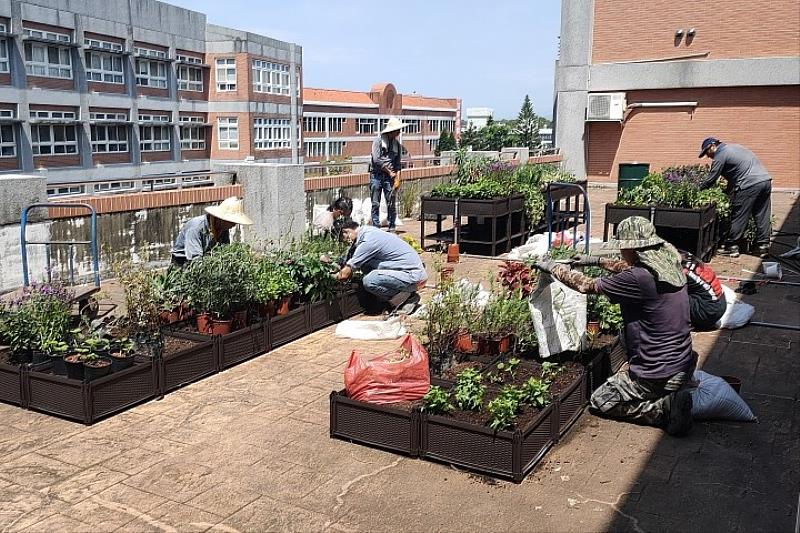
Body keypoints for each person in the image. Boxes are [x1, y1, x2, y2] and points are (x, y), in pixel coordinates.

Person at [536, 216, 695, 436]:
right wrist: (595, 261)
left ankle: (663, 409)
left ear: (631, 248)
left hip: (654, 373)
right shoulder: (670, 263)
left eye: (622, 247)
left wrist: (553, 267)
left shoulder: (639, 278)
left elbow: (586, 285)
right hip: (683, 361)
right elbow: (632, 270)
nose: (620, 252)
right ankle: (672, 390)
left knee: (601, 400)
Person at [697, 137, 773, 258]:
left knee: (739, 215)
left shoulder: (720, 155)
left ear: (712, 146)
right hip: (765, 181)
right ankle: (763, 247)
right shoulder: (736, 148)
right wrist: (727, 192)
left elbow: (712, 178)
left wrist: (699, 190)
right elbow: (737, 174)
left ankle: (733, 246)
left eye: (707, 152)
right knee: (761, 214)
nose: (708, 156)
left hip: (749, 185)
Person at [332, 220, 426, 314]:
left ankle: (407, 298)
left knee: (370, 281)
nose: (345, 242)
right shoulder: (368, 232)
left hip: (412, 276)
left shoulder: (368, 241)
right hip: (405, 271)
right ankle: (401, 295)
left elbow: (344, 274)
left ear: (346, 232)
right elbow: (350, 259)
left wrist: (330, 276)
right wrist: (333, 262)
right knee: (365, 266)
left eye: (342, 239)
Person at [171, 196, 253, 266]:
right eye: (232, 221)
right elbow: (195, 259)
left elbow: (223, 252)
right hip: (183, 263)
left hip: (205, 261)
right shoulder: (196, 227)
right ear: (221, 219)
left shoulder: (223, 229)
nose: (234, 225)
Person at [370, 117, 407, 231]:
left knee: (391, 202)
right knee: (375, 203)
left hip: (390, 178)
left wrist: (398, 178)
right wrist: (389, 171)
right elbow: (376, 160)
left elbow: (397, 163)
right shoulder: (378, 141)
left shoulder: (397, 145)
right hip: (376, 175)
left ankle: (392, 227)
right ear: (391, 131)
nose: (399, 132)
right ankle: (376, 227)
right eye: (397, 130)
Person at [681, 251, 727, 330]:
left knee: (669, 297)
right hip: (719, 303)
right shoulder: (686, 256)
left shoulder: (681, 270)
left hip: (708, 311)